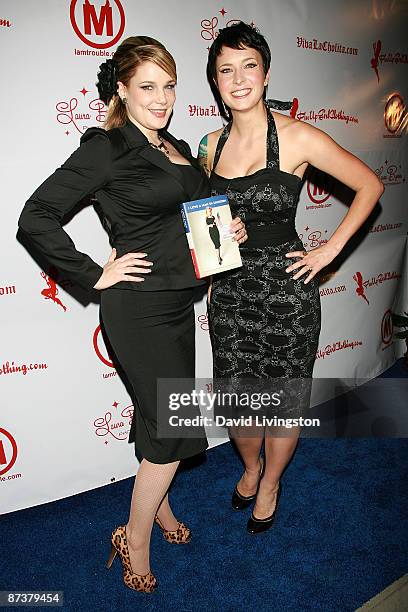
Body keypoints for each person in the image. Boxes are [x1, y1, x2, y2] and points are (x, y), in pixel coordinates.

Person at [18, 36, 247, 592]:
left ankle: (160, 509)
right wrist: (94, 273)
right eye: (147, 86)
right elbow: (36, 215)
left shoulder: (171, 145)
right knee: (171, 427)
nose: (162, 97)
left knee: (157, 418)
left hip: (176, 302)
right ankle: (133, 536)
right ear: (121, 89)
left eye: (169, 86)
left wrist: (227, 232)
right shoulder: (109, 147)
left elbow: (187, 213)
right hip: (138, 309)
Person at [198, 22, 384, 534]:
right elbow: (205, 221)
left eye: (248, 67)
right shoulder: (208, 146)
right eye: (225, 71)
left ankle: (272, 480)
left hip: (287, 291)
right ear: (215, 82)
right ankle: (251, 466)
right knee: (237, 402)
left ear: (266, 73)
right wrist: (219, 243)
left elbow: (369, 186)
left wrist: (328, 251)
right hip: (231, 294)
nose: (238, 80)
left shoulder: (297, 136)